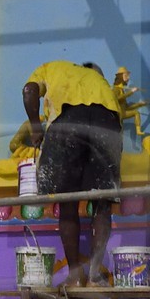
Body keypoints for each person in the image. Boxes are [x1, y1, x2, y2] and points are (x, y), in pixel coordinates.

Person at [22, 61, 124, 287]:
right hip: (107, 121)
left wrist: (35, 127)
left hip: (68, 121)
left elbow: (29, 91)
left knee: (68, 201)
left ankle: (75, 275)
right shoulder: (102, 84)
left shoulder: (51, 67)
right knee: (103, 200)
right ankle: (96, 275)